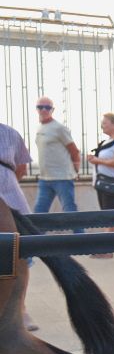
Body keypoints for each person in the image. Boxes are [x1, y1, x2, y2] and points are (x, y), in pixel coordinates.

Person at [0, 123, 37, 331]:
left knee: (20, 255)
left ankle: (21, 309)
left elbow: (21, 167)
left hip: (10, 198)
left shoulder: (10, 134)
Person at [84, 113, 114, 260]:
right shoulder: (107, 142)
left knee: (111, 218)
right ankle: (108, 249)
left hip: (113, 183)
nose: (102, 125)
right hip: (103, 183)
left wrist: (97, 160)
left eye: (105, 123)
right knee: (110, 218)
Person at [32, 97, 82, 228]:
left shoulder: (59, 128)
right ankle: (35, 245)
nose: (44, 110)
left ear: (52, 110)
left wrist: (76, 170)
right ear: (36, 109)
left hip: (62, 178)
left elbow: (74, 151)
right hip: (44, 179)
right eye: (40, 107)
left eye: (47, 107)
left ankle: (81, 243)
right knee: (38, 214)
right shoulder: (39, 128)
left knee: (70, 212)